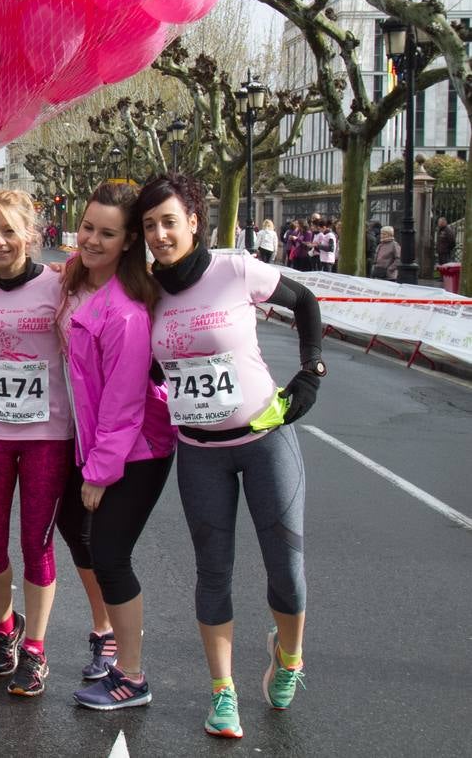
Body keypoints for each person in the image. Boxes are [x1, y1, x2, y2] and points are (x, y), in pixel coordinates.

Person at [136, 172, 323, 739]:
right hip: (199, 452)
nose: (161, 234)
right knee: (213, 572)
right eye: (150, 226)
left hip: (265, 436)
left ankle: (288, 657)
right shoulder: (146, 291)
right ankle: (223, 692)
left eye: (170, 221)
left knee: (285, 571)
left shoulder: (234, 269)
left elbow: (306, 301)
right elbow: (146, 365)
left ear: (194, 221)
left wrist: (311, 372)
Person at [48, 183, 175, 710]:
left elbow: (123, 403)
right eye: (87, 228)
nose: (92, 240)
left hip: (137, 448)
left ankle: (132, 675)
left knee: (111, 554)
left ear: (128, 242)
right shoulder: (77, 279)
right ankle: (109, 643)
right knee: (79, 535)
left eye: (107, 233)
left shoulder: (126, 310)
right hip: (92, 438)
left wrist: (98, 472)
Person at [0, 190, 74, 696]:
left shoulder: (59, 284)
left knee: (36, 545)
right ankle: (6, 629)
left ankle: (36, 649)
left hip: (47, 433)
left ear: (30, 232)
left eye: (9, 231)